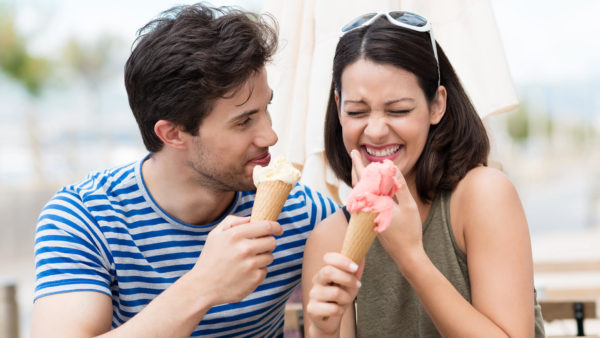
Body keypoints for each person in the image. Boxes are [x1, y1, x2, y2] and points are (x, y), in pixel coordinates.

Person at [30, 4, 338, 337]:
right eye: (244, 121)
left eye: (266, 109)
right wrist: (203, 286)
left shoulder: (305, 215)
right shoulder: (85, 218)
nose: (270, 135)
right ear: (173, 134)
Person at [301, 11, 545, 337]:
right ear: (338, 107)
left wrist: (411, 257)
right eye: (357, 112)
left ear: (437, 105)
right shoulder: (330, 237)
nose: (375, 131)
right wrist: (321, 329)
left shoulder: (484, 196)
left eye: (398, 110)